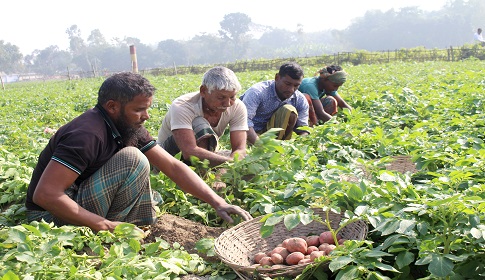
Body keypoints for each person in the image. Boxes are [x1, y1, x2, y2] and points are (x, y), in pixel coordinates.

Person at [25, 72, 252, 233]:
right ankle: (110, 225)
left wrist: (217, 202)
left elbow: (172, 166)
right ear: (112, 106)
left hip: (79, 200)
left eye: (148, 108)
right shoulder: (87, 134)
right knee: (132, 159)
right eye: (139, 109)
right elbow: (45, 195)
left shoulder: (127, 126)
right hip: (50, 217)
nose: (146, 116)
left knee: (140, 161)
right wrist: (105, 225)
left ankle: (122, 222)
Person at [157, 66, 248, 167]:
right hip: (167, 157)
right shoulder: (183, 106)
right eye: (221, 97)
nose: (227, 103)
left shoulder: (237, 107)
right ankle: (204, 175)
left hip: (204, 155)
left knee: (248, 162)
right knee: (200, 123)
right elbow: (189, 152)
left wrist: (231, 163)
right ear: (203, 91)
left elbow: (240, 149)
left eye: (232, 97)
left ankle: (211, 175)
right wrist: (228, 163)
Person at [240, 62, 309, 145]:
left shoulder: (299, 99)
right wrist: (260, 146)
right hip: (251, 133)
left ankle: (281, 144)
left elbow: (303, 128)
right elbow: (244, 122)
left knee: (289, 111)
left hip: (272, 134)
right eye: (287, 84)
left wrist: (297, 145)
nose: (291, 89)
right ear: (277, 77)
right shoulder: (257, 92)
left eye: (296, 85)